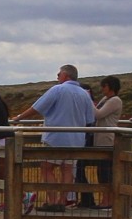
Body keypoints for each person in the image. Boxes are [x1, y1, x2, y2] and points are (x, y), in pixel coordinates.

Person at [14, 64, 96, 209]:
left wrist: (19, 117)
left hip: (56, 137)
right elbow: (90, 119)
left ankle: (51, 201)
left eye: (59, 74)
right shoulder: (84, 94)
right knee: (68, 170)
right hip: (76, 139)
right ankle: (61, 201)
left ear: (66, 75)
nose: (57, 77)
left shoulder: (58, 89)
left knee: (47, 167)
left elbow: (37, 107)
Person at [82, 76, 124, 209]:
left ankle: (107, 201)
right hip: (100, 139)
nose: (102, 89)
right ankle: (105, 200)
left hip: (107, 139)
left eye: (104, 86)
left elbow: (98, 114)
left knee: (106, 172)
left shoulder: (115, 100)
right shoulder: (106, 99)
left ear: (110, 87)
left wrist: (89, 101)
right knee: (102, 171)